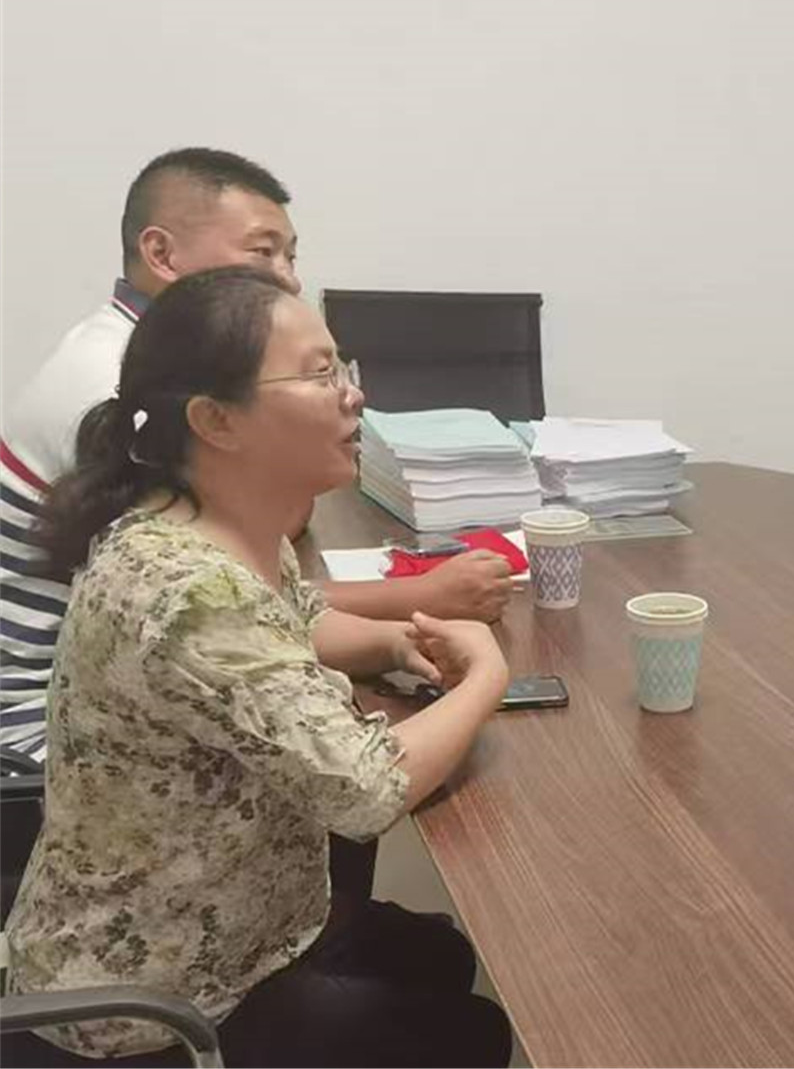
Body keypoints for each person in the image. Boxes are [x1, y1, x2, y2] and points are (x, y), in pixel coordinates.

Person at [3, 267, 513, 1066]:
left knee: (442, 956)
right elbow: (366, 790)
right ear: (215, 419)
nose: (353, 395)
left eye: (342, 368)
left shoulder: (207, 521)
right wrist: (486, 676)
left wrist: (393, 643)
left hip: (244, 924)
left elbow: (297, 622)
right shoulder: (188, 590)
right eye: (319, 374)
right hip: (154, 1005)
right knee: (474, 1034)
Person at [1, 147, 510, 762]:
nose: (287, 279)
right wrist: (432, 613)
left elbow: (267, 567)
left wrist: (393, 637)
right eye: (262, 252)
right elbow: (221, 604)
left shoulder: (142, 359)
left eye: (290, 256)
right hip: (43, 736)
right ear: (161, 254)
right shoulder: (112, 385)